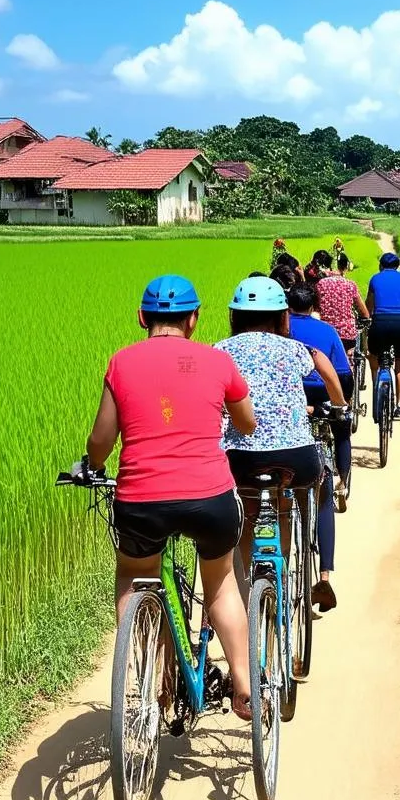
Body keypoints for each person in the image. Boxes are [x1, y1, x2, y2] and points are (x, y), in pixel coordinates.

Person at [85, 275, 257, 720]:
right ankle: (242, 682)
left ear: (143, 318)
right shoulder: (217, 361)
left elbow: (101, 441)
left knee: (135, 574)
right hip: (211, 498)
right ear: (194, 319)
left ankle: (151, 671)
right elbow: (248, 422)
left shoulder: (121, 362)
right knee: (219, 583)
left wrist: (94, 467)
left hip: (141, 501)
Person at [215, 276, 347, 614]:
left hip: (238, 458)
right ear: (282, 316)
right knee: (288, 503)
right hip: (294, 458)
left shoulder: (220, 351)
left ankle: (245, 597)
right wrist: (339, 404)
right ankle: (282, 573)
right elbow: (321, 362)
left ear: (235, 316)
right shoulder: (293, 348)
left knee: (245, 517)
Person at [288, 284, 354, 511]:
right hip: (324, 389)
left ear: (288, 305)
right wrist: (344, 403)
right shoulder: (327, 330)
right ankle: (342, 483)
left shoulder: (281, 330)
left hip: (295, 391)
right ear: (314, 305)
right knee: (342, 431)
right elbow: (343, 372)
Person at [366, 252, 400, 419]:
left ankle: (377, 388)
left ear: (381, 265)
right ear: (397, 266)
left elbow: (369, 304)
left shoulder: (375, 279)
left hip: (380, 322)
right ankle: (397, 405)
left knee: (374, 357)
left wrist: (367, 317)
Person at [316, 252, 370, 356]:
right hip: (346, 334)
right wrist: (366, 317)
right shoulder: (350, 285)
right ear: (345, 268)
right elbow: (364, 312)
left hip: (325, 332)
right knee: (347, 356)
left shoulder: (320, 284)